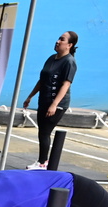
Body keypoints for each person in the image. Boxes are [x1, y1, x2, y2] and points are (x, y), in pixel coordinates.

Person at [23, 31, 78, 170]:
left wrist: (54, 104)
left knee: (45, 132)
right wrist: (30, 96)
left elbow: (66, 85)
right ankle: (42, 161)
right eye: (58, 38)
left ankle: (43, 162)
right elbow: (42, 80)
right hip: (44, 100)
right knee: (42, 131)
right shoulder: (51, 58)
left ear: (69, 45)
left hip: (57, 104)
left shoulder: (69, 62)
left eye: (62, 39)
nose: (58, 41)